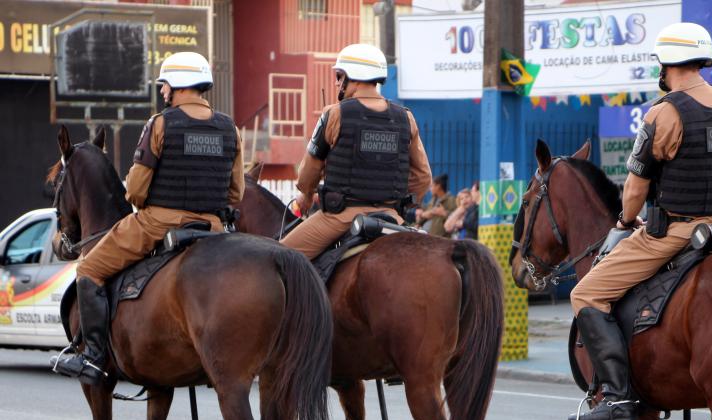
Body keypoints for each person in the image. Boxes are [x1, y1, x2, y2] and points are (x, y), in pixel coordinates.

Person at [567, 22, 712, 420]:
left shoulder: (664, 112)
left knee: (587, 293)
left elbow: (635, 189)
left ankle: (615, 396)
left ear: (665, 64)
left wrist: (625, 222)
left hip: (676, 232)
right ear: (702, 59)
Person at [54, 52, 245, 384]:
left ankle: (93, 357)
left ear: (174, 86)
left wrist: (138, 199)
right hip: (213, 227)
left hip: (158, 223)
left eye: (163, 86)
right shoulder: (229, 127)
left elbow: (137, 191)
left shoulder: (160, 123)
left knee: (89, 269)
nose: (162, 93)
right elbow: (236, 192)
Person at [281, 43, 433, 258]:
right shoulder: (406, 118)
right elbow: (423, 178)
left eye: (339, 76)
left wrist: (306, 194)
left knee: (280, 258)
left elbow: (308, 175)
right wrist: (393, 202)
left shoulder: (334, 114)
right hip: (391, 219)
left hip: (338, 218)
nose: (337, 83)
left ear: (355, 76)